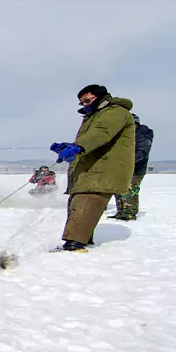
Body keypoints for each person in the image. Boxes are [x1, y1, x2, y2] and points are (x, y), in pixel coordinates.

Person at [50, 84, 135, 252]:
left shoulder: (115, 112)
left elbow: (101, 133)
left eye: (87, 101)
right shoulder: (95, 115)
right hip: (92, 169)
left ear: (101, 97)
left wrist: (79, 147)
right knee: (79, 202)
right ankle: (81, 239)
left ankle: (75, 245)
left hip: (104, 168)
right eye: (81, 103)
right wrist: (71, 147)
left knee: (87, 199)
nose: (84, 105)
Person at [109, 113, 153, 221]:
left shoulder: (142, 134)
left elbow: (142, 151)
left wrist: (128, 161)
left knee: (130, 190)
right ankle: (121, 211)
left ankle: (129, 213)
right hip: (122, 168)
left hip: (136, 169)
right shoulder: (124, 135)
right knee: (118, 189)